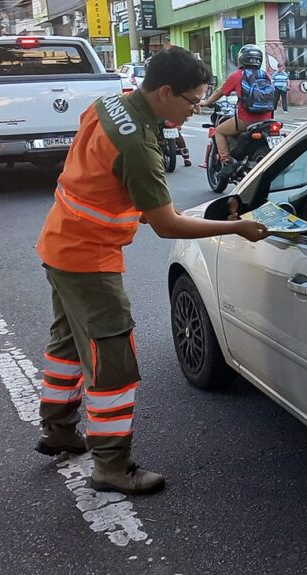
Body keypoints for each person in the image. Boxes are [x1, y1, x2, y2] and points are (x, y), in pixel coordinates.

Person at [34, 47, 270, 495]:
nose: (197, 108)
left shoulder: (110, 103)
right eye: (192, 100)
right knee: (113, 364)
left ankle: (58, 429)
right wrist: (237, 226)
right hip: (88, 259)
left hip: (60, 242)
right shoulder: (139, 147)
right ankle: (112, 466)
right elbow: (166, 225)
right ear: (164, 92)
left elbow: (103, 179)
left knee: (67, 344)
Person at [198, 44, 276, 168]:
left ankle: (226, 161)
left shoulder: (237, 75)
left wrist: (207, 102)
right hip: (268, 120)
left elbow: (220, 92)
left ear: (241, 59)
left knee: (219, 131)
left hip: (245, 120)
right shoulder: (265, 75)